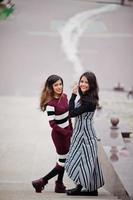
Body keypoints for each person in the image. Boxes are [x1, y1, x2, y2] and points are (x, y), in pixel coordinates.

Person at [65, 71, 104, 196]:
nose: (83, 84)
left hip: (86, 135)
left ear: (91, 84)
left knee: (82, 160)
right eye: (81, 81)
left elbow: (71, 113)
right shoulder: (86, 97)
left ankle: (80, 188)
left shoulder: (89, 101)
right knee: (85, 160)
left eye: (86, 82)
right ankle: (91, 189)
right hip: (80, 133)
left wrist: (72, 95)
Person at [32, 75, 73, 193]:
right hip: (59, 136)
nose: (59, 87)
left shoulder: (65, 97)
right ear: (51, 87)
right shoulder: (50, 104)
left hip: (67, 133)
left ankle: (59, 184)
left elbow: (68, 116)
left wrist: (71, 129)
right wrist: (65, 133)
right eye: (56, 85)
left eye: (60, 84)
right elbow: (53, 124)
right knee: (63, 160)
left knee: (62, 159)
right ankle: (41, 181)